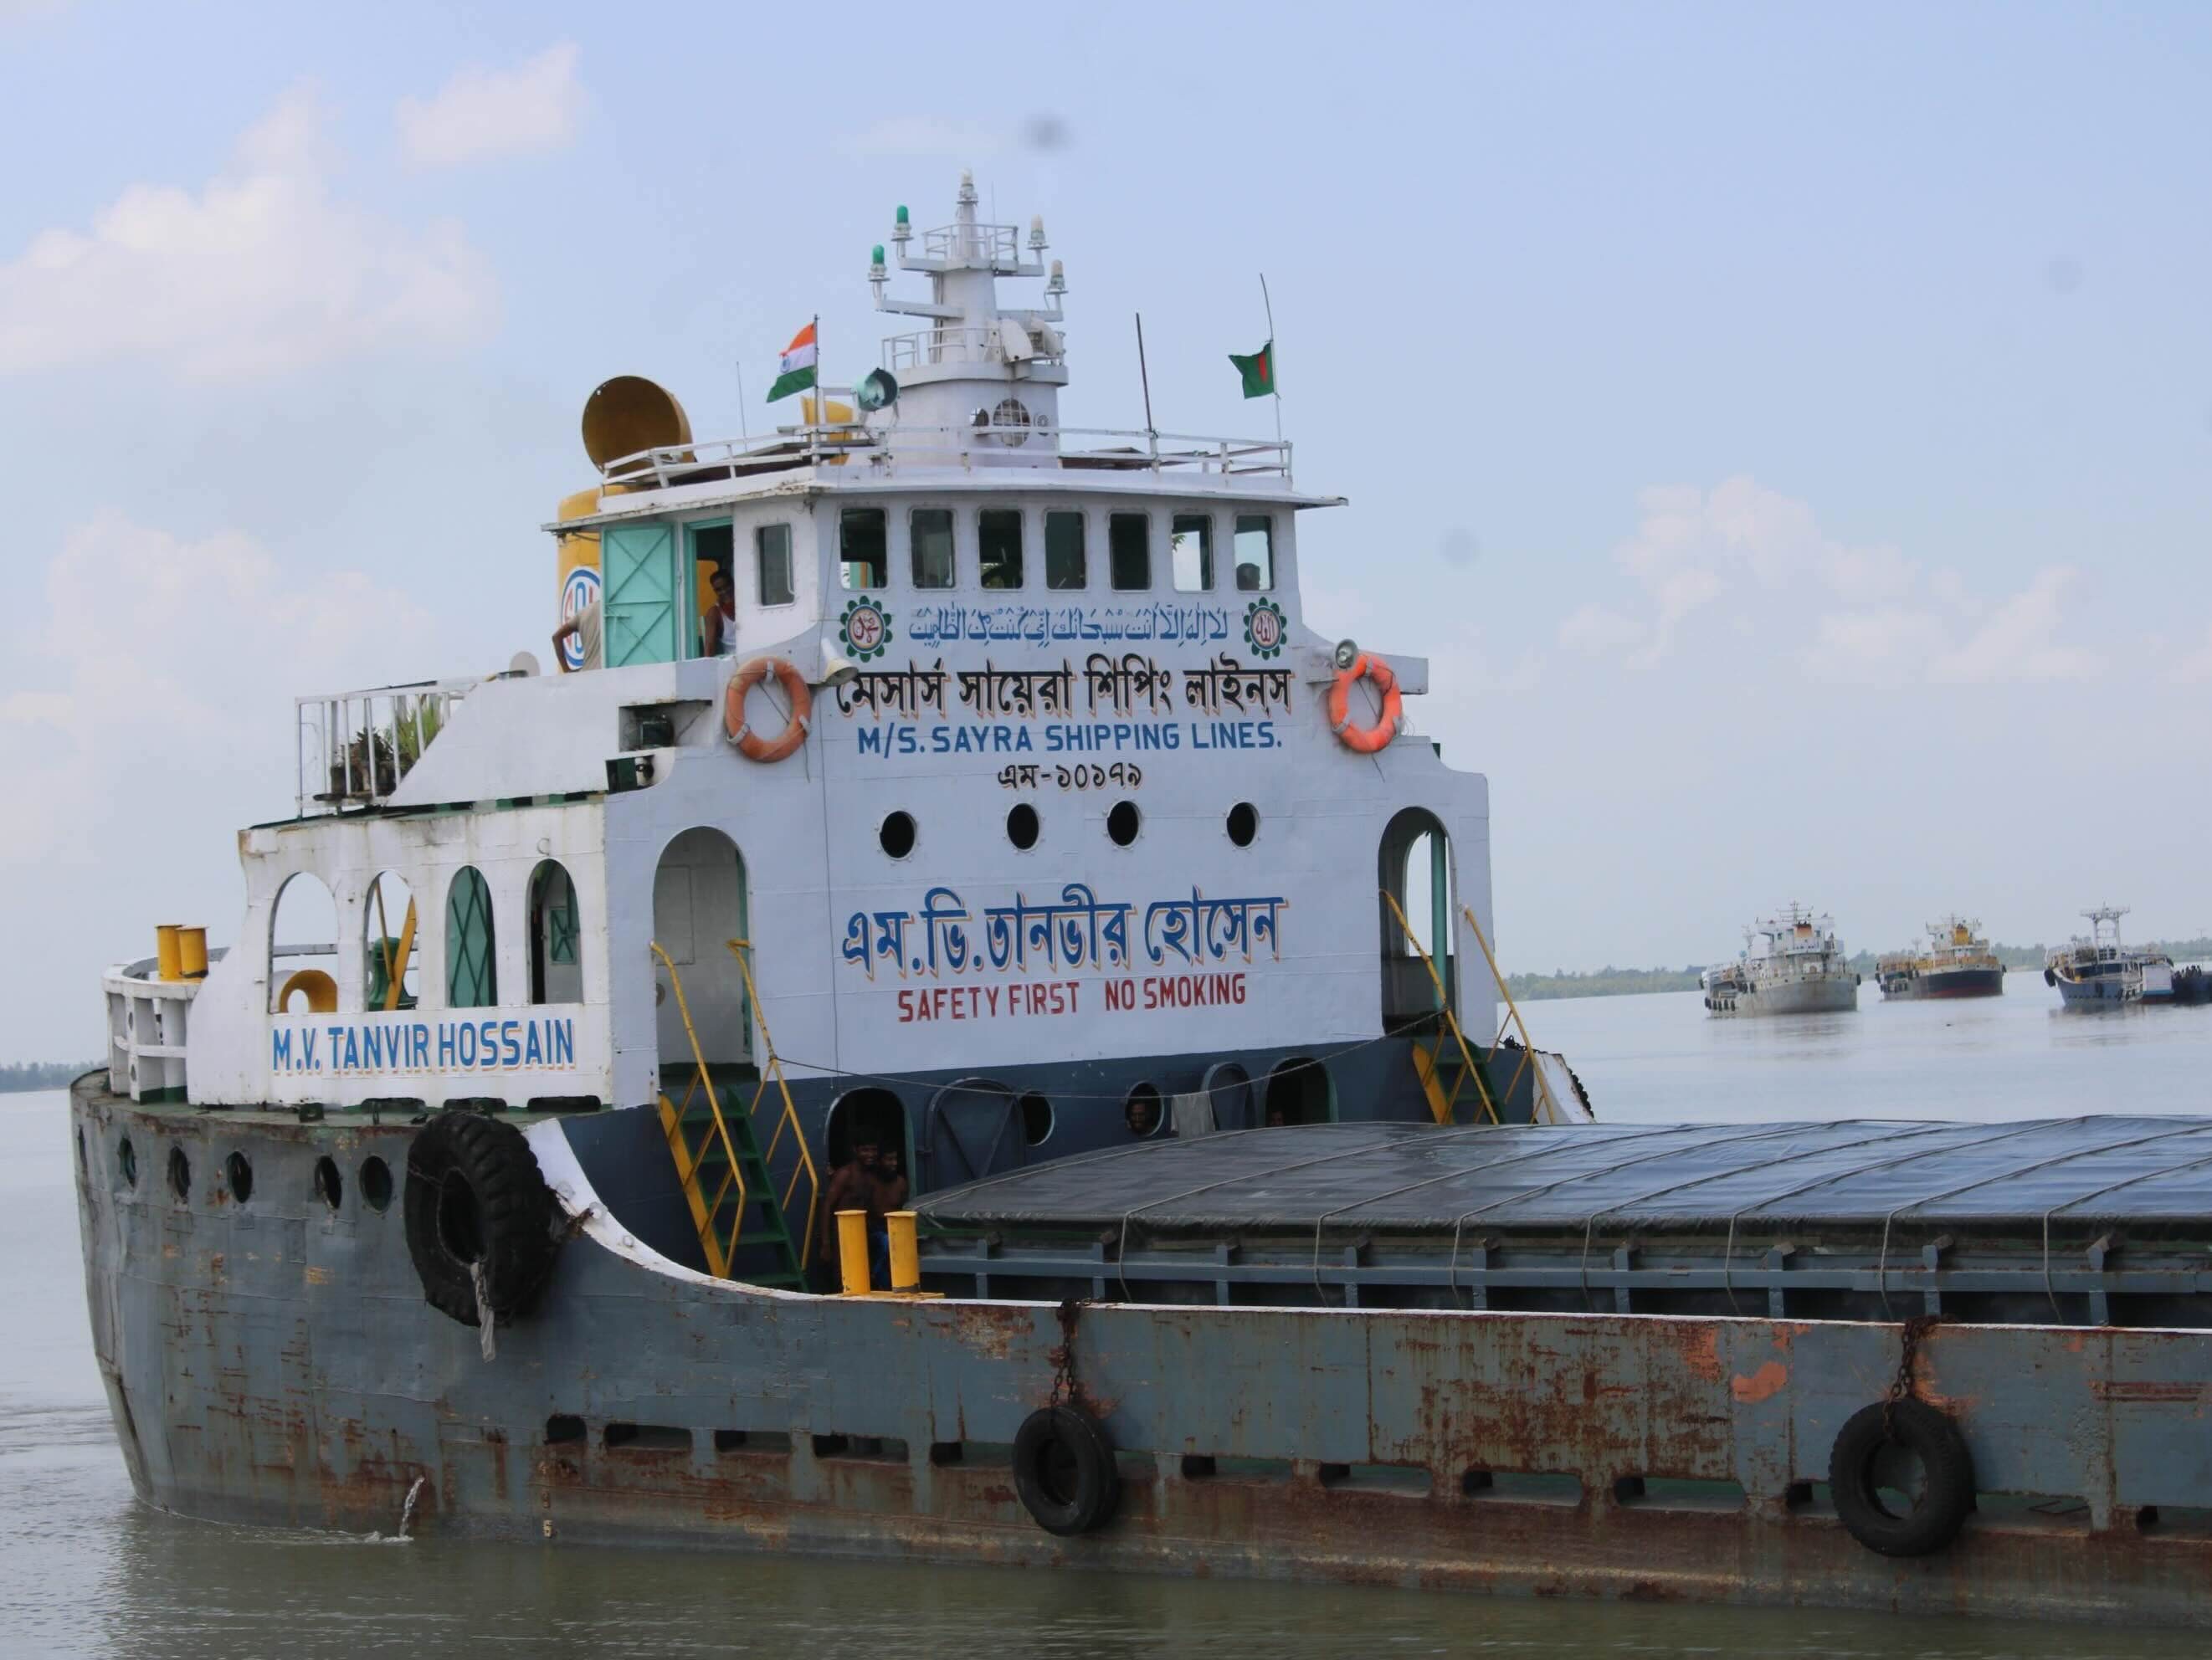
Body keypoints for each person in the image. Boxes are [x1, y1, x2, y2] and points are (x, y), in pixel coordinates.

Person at [551, 594, 603, 673]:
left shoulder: (585, 612)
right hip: (611, 673)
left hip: (588, 673)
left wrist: (566, 670)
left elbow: (556, 637)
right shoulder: (617, 611)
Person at [700, 566, 738, 657]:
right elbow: (709, 647)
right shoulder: (714, 613)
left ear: (733, 584)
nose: (724, 591)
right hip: (733, 664)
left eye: (726, 586)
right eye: (718, 590)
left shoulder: (747, 604)